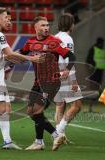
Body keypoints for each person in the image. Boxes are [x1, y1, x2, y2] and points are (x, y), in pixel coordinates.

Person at [0, 7, 43, 149]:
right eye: (6, 17)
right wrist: (31, 58)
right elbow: (10, 54)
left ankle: (7, 141)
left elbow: (3, 56)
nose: (8, 20)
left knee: (6, 108)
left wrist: (16, 60)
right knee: (1, 107)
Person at [20, 16, 76, 151]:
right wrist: (9, 63)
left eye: (47, 25)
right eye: (43, 25)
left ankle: (46, 139)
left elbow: (72, 56)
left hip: (51, 82)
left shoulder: (54, 42)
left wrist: (68, 70)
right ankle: (47, 138)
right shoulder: (30, 42)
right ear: (35, 28)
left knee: (37, 110)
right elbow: (22, 53)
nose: (46, 28)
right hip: (37, 81)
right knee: (31, 112)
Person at [54, 13, 82, 143]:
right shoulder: (68, 39)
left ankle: (60, 136)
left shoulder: (55, 37)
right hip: (65, 75)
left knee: (60, 106)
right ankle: (58, 131)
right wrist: (74, 80)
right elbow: (68, 60)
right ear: (71, 24)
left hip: (54, 75)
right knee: (77, 105)